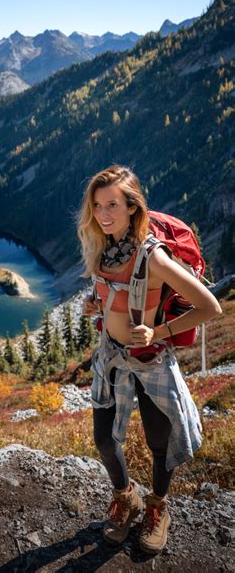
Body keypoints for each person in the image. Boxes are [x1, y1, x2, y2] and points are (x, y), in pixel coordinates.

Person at [77, 164, 222, 554]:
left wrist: (158, 333)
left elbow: (210, 307)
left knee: (160, 442)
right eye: (97, 206)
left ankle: (157, 507)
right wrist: (97, 304)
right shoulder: (102, 246)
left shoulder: (152, 256)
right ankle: (127, 497)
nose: (103, 215)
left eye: (112, 206)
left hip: (149, 360)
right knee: (104, 440)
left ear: (132, 207)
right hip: (110, 356)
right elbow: (111, 296)